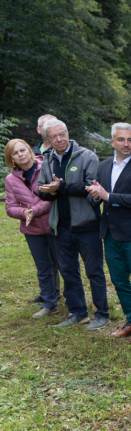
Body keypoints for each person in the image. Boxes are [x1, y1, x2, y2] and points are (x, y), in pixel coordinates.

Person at [86, 123, 131, 343]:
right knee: (119, 281)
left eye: (130, 140)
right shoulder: (104, 165)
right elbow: (96, 196)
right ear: (112, 142)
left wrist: (107, 196)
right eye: (121, 140)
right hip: (110, 233)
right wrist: (95, 196)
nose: (126, 144)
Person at [36, 118, 108, 329]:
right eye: (54, 136)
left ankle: (102, 313)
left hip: (87, 225)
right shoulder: (47, 159)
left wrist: (62, 187)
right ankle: (78, 312)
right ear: (47, 139)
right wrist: (48, 192)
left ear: (68, 133)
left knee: (94, 272)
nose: (59, 139)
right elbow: (43, 188)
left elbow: (91, 188)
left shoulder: (87, 156)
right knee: (68, 272)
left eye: (62, 134)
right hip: (60, 226)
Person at [4, 139, 59, 318]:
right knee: (43, 267)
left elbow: (53, 197)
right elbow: (10, 207)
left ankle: (75, 302)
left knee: (64, 264)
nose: (21, 155)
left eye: (22, 150)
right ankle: (50, 304)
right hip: (32, 229)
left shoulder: (47, 167)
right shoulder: (11, 179)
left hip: (53, 224)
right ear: (11, 159)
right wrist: (24, 213)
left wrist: (33, 210)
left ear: (29, 150)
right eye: (15, 153)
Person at [29, 113, 61, 303]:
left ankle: (65, 294)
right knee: (43, 260)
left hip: (56, 211)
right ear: (40, 130)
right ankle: (49, 293)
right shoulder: (31, 153)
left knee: (60, 258)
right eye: (46, 125)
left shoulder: (62, 152)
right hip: (35, 213)